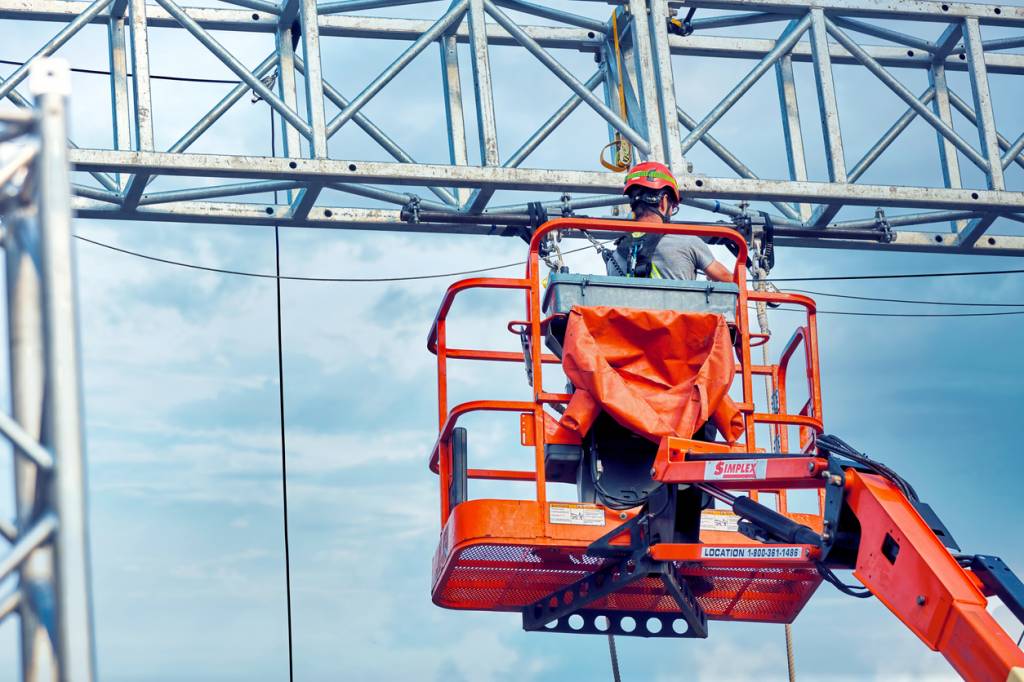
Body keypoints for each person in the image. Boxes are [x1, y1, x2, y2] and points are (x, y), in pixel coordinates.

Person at [606, 161, 733, 283]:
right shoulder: (688, 242)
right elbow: (730, 281)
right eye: (673, 206)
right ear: (664, 202)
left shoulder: (615, 257)